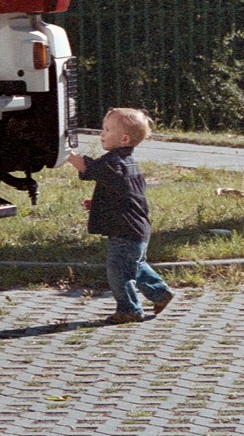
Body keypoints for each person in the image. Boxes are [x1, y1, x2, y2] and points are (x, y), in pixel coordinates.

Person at [68, 108, 174, 324]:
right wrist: (99, 203)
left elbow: (87, 167)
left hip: (125, 230)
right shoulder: (128, 163)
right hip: (137, 227)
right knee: (136, 266)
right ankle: (160, 293)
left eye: (107, 130)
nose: (101, 134)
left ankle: (129, 310)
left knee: (119, 272)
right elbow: (125, 193)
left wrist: (65, 154)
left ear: (124, 139)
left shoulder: (113, 162)